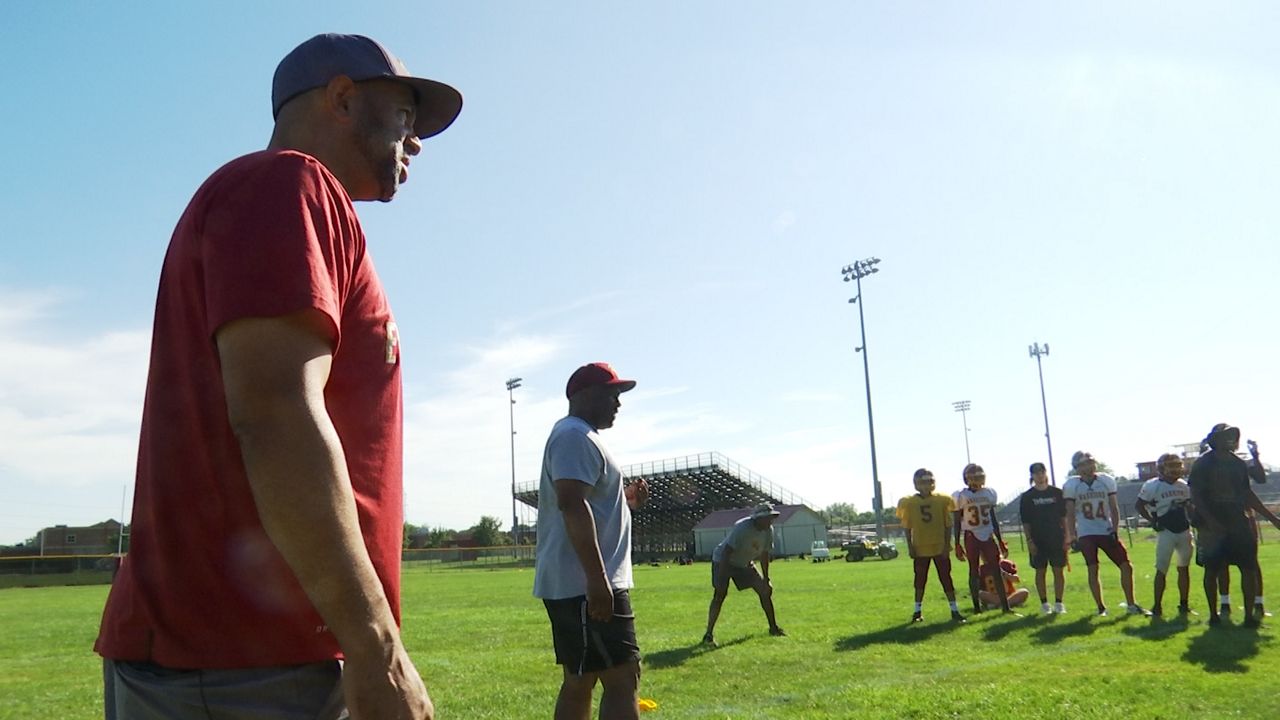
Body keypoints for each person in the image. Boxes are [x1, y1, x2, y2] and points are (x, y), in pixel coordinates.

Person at [94, 33, 462, 720]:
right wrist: (377, 648)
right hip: (242, 664)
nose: (416, 142)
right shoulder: (287, 184)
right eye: (406, 115)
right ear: (343, 98)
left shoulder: (297, 201)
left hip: (252, 659)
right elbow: (274, 414)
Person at [534, 362, 648, 720]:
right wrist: (598, 581)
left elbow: (586, 504)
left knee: (582, 678)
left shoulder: (580, 436)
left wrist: (625, 502)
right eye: (610, 393)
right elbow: (571, 503)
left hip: (583, 584)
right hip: (588, 585)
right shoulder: (574, 436)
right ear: (582, 395)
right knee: (621, 677)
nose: (618, 402)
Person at [1188, 423, 1280, 627]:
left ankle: (1249, 617)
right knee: (1212, 569)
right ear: (1216, 439)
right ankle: (1214, 615)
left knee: (1248, 568)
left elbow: (1247, 494)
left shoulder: (1237, 463)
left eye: (1232, 435)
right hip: (1212, 524)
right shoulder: (1203, 463)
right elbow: (1196, 496)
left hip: (1237, 520)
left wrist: (1272, 518)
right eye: (1225, 436)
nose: (1230, 439)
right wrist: (1211, 522)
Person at [1063, 451, 1147, 617]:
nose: (1089, 465)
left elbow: (1114, 507)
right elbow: (1070, 513)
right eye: (1085, 463)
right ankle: (1101, 608)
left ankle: (1131, 604)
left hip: (1105, 529)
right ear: (1077, 467)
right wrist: (1072, 535)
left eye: (1091, 461)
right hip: (1087, 532)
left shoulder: (1105, 480)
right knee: (1093, 568)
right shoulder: (1072, 485)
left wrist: (1115, 529)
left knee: (1126, 565)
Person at [703, 504, 788, 645]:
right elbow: (726, 552)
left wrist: (766, 579)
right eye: (768, 518)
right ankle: (708, 634)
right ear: (758, 519)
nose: (770, 521)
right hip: (724, 561)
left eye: (771, 518)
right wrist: (721, 578)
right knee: (720, 595)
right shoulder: (742, 528)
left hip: (744, 563)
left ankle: (773, 628)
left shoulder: (768, 531)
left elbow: (764, 554)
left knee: (765, 591)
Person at [897, 469, 966, 623]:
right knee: (920, 580)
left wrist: (947, 544)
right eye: (923, 481)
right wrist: (910, 546)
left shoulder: (942, 500)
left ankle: (954, 610)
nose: (927, 485)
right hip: (921, 547)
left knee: (946, 578)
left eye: (930, 481)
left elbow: (948, 525)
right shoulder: (909, 502)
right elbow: (907, 526)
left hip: (939, 545)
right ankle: (917, 611)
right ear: (916, 484)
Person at [1135, 453, 1195, 617]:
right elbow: (1139, 505)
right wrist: (1151, 521)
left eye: (1177, 465)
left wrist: (1195, 518)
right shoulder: (1153, 485)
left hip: (1183, 529)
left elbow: (1189, 506)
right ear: (1161, 468)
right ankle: (1157, 606)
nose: (1176, 469)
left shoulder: (1183, 486)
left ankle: (1184, 604)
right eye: (1171, 466)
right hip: (1166, 531)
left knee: (1184, 568)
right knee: (1161, 569)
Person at [952, 463, 1010, 613]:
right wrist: (957, 543)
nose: (977, 479)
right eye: (974, 476)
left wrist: (1000, 540)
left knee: (996, 569)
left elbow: (993, 518)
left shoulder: (989, 493)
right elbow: (957, 521)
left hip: (988, 534)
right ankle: (977, 608)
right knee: (973, 570)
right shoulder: (961, 495)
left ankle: (1005, 606)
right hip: (971, 535)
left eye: (979, 476)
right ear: (967, 479)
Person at [1018, 462, 1069, 615]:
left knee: (1058, 570)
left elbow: (1063, 517)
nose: (1039, 475)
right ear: (1032, 476)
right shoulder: (1027, 497)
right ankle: (1044, 603)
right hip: (1038, 539)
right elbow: (1026, 521)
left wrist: (1067, 536)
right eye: (1036, 473)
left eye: (1042, 472)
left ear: (1045, 473)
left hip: (1056, 537)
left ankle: (1059, 603)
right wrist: (1029, 541)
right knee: (1040, 571)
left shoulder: (1057, 493)